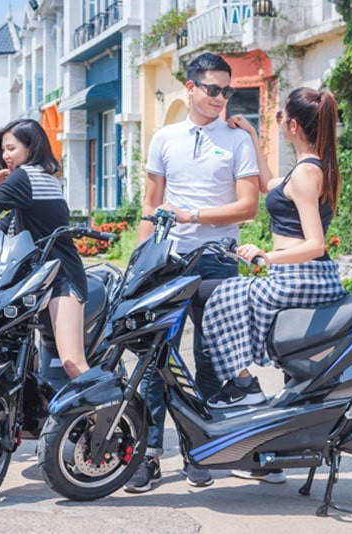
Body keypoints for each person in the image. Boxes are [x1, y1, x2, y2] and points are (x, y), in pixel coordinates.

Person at [124, 52, 260, 493]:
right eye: (213, 89)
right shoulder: (165, 138)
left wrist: (192, 214)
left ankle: (198, 450)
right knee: (154, 356)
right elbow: (151, 203)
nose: (221, 98)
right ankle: (148, 454)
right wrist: (140, 260)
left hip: (219, 259)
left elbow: (248, 206)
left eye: (227, 90)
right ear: (191, 87)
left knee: (211, 356)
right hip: (169, 258)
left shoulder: (237, 140)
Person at [202, 87, 347, 484]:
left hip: (303, 276)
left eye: (280, 117)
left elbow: (315, 244)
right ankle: (253, 401)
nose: (278, 121)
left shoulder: (307, 174)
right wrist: (252, 136)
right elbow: (270, 185)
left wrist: (266, 256)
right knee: (229, 297)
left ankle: (244, 385)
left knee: (221, 297)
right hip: (302, 275)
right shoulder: (309, 167)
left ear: (293, 125)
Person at [0, 118, 90, 378]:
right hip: (35, 281)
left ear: (31, 147)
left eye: (11, 148)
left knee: (72, 361)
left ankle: (105, 405)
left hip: (62, 277)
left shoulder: (26, 176)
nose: (5, 156)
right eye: (3, 149)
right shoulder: (41, 178)